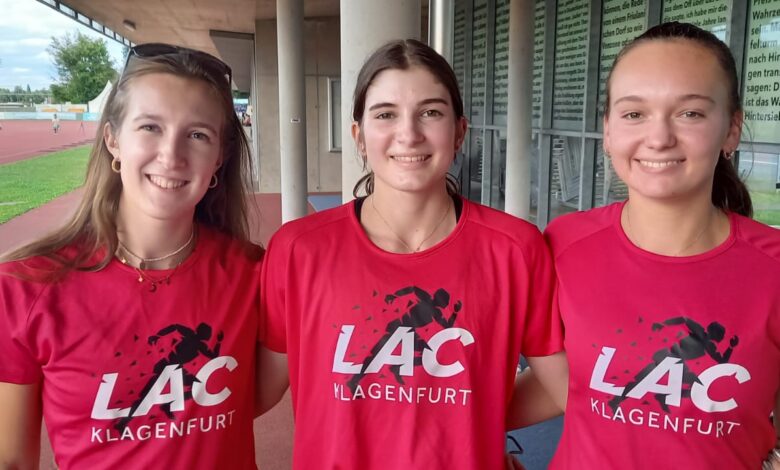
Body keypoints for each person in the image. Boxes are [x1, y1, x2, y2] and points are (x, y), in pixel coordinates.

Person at [257, 39, 567, 469]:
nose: (409, 133)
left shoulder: (514, 249)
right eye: (385, 114)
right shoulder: (299, 250)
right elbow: (254, 390)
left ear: (459, 131)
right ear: (359, 136)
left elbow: (562, 387)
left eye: (431, 112)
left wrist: (470, 421)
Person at [0, 43, 262, 469]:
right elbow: (11, 460)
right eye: (150, 127)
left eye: (198, 135)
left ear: (220, 158)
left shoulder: (255, 276)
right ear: (112, 140)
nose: (171, 155)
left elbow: (249, 403)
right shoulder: (23, 289)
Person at [537, 22, 779, 469]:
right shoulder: (563, 245)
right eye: (634, 114)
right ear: (608, 130)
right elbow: (574, 385)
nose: (659, 137)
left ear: (731, 130)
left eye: (690, 113)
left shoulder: (773, 267)